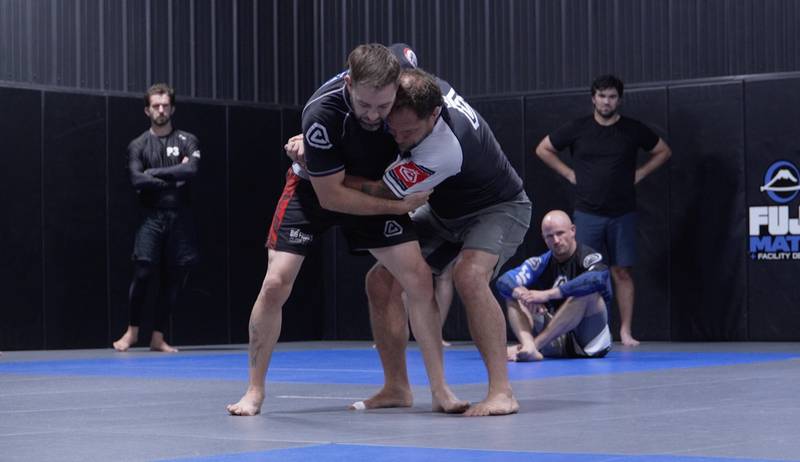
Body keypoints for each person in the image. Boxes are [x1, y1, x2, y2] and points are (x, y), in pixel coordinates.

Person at [226, 44, 467, 416]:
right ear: (349, 84)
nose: (373, 115)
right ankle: (254, 390)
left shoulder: (405, 89)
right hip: (316, 191)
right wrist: (398, 207)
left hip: (372, 186)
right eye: (365, 105)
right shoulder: (322, 113)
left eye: (383, 107)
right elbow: (332, 198)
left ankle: (440, 389)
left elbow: (403, 52)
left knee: (418, 278)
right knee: (276, 282)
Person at [345, 67, 531, 416]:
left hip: (498, 207)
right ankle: (397, 387)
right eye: (392, 128)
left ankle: (502, 392)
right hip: (444, 210)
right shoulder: (423, 87)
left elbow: (383, 191)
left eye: (409, 131)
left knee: (469, 276)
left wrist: (326, 173)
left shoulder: (448, 147)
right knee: (380, 282)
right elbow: (393, 57)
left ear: (433, 114)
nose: (399, 138)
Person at [534, 74, 671, 346]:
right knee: (584, 275)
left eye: (611, 97)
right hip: (587, 212)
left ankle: (625, 331)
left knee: (622, 272)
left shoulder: (632, 129)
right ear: (593, 98)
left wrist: (641, 173)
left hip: (622, 212)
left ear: (618, 100)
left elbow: (663, 151)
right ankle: (580, 330)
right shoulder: (578, 128)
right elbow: (543, 148)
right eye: (602, 96)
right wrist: (569, 173)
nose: (606, 101)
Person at [113, 83, 201, 353]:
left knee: (173, 277)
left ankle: (158, 337)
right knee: (143, 271)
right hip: (150, 217)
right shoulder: (138, 145)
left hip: (180, 218)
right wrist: (174, 175)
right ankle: (131, 332)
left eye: (165, 105)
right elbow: (136, 178)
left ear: (172, 108)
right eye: (155, 106)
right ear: (147, 110)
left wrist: (155, 174)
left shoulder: (188, 140)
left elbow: (192, 170)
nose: (161, 110)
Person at [496, 210, 613, 361]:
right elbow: (504, 281)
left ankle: (533, 346)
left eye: (560, 233)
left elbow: (599, 278)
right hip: (557, 338)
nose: (556, 240)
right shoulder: (542, 262)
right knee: (512, 295)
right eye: (550, 236)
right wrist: (524, 295)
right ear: (544, 239)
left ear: (573, 231)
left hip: (588, 340)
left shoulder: (587, 256)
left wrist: (548, 294)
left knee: (588, 292)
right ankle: (528, 346)